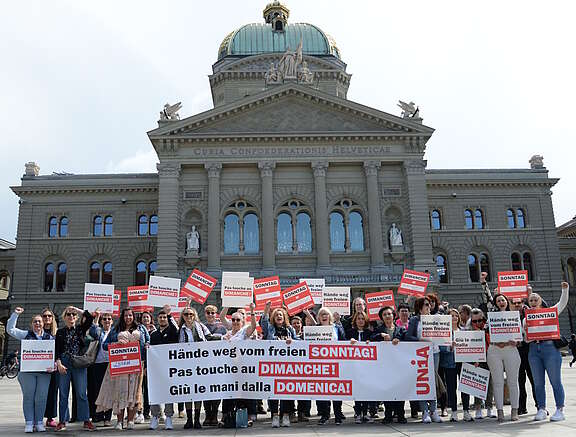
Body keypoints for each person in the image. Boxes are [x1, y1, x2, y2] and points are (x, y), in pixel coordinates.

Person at [96, 307, 148, 430]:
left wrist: (146, 347)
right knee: (120, 392)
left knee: (134, 393)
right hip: (120, 366)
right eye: (126, 315)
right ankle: (119, 421)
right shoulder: (116, 329)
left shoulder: (141, 328)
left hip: (136, 365)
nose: (128, 318)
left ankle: (130, 420)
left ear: (133, 316)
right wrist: (115, 344)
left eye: (130, 315)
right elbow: (104, 345)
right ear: (122, 317)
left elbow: (147, 343)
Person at [525, 282, 569, 422]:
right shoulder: (526, 318)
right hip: (534, 350)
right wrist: (526, 329)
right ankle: (541, 409)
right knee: (538, 383)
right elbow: (525, 339)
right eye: (530, 300)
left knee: (555, 381)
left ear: (540, 301)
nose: (532, 302)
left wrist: (565, 290)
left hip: (550, 349)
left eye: (535, 299)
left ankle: (560, 409)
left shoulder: (550, 312)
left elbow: (562, 303)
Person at [7, 307, 55, 433]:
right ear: (32, 324)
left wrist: (54, 365)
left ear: (44, 324)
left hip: (44, 373)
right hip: (27, 373)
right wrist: (15, 315)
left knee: (41, 397)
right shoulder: (26, 334)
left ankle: (39, 422)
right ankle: (29, 422)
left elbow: (55, 355)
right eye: (35, 321)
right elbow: (10, 330)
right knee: (28, 397)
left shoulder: (50, 338)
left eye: (40, 321)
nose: (38, 323)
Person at [54, 306, 96, 432]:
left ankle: (86, 420)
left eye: (73, 315)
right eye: (68, 314)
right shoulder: (60, 332)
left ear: (76, 318)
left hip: (78, 363)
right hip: (64, 362)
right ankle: (62, 421)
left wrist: (76, 309)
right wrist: (59, 363)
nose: (71, 316)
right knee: (63, 394)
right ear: (64, 317)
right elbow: (57, 349)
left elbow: (89, 318)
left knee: (82, 393)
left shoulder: (80, 329)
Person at [179, 305, 219, 429]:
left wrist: (224, 338)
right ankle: (189, 420)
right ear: (183, 317)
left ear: (194, 315)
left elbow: (209, 338)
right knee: (187, 391)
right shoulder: (181, 329)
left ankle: (197, 420)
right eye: (186, 314)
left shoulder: (201, 326)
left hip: (200, 363)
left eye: (191, 314)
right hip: (186, 364)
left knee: (198, 391)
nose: (189, 316)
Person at [261, 301, 298, 427]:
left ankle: (286, 415)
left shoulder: (290, 329)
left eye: (281, 315)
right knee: (273, 392)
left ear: (284, 317)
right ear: (273, 317)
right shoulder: (270, 328)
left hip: (287, 366)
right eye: (276, 315)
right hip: (272, 365)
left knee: (286, 391)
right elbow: (264, 322)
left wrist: (292, 341)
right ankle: (275, 416)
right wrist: (267, 309)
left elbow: (299, 343)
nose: (278, 317)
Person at [220, 305, 258, 428]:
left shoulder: (244, 332)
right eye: (233, 320)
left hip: (244, 367)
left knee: (245, 393)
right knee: (229, 393)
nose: (235, 322)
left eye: (238, 320)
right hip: (230, 368)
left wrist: (252, 312)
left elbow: (253, 327)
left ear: (242, 322)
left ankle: (247, 416)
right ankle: (227, 416)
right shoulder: (227, 334)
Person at [405, 296, 442, 423]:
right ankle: (424, 411)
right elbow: (409, 336)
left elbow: (443, 335)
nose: (429, 306)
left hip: (435, 352)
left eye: (430, 304)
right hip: (421, 353)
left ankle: (433, 410)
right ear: (420, 308)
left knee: (433, 382)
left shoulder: (436, 318)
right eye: (426, 304)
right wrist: (420, 340)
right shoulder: (415, 320)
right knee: (422, 381)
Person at [486, 293, 521, 422]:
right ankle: (500, 411)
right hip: (494, 350)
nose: (501, 302)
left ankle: (514, 410)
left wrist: (516, 342)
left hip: (510, 349)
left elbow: (521, 335)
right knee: (498, 382)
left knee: (513, 381)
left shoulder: (514, 316)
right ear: (495, 303)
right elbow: (485, 331)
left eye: (503, 300)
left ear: (507, 302)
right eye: (498, 300)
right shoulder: (491, 317)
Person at [311, 307, 347, 425]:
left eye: (326, 314)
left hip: (336, 363)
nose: (324, 316)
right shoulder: (314, 330)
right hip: (320, 365)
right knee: (322, 391)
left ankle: (337, 415)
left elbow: (344, 343)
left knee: (336, 391)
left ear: (330, 316)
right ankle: (325, 415)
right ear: (318, 318)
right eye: (321, 314)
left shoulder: (337, 328)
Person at [371, 306, 407, 424]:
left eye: (389, 314)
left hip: (398, 366)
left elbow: (408, 340)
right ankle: (388, 415)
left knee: (400, 390)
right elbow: (371, 339)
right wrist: (381, 335)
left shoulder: (400, 329)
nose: (387, 316)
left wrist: (398, 339)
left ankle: (401, 415)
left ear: (393, 315)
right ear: (381, 317)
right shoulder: (378, 329)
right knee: (388, 391)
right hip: (384, 366)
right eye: (385, 314)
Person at [149, 305, 179, 430]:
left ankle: (168, 417)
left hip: (169, 367)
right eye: (160, 317)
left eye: (164, 317)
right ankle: (155, 416)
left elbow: (175, 329)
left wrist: (169, 314)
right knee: (154, 392)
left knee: (168, 392)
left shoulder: (172, 331)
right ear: (157, 319)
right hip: (155, 368)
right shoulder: (154, 334)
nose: (162, 319)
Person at [345, 310, 374, 424]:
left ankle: (365, 413)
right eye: (358, 319)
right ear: (355, 320)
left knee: (366, 390)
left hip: (367, 367)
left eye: (362, 319)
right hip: (354, 366)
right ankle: (357, 413)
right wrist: (349, 341)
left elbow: (376, 339)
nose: (360, 321)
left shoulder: (369, 332)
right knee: (357, 390)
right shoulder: (350, 332)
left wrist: (370, 341)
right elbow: (342, 342)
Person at [467, 308, 495, 420]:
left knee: (490, 384)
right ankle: (478, 408)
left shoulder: (488, 327)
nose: (478, 323)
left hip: (490, 355)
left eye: (480, 320)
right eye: (475, 321)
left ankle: (489, 407)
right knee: (477, 383)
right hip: (476, 358)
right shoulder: (468, 330)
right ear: (471, 321)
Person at [87, 311, 113, 427]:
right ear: (102, 321)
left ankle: (107, 417)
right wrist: (96, 318)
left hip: (111, 364)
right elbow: (92, 332)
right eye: (105, 319)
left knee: (109, 391)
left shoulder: (115, 332)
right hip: (98, 364)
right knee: (97, 391)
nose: (107, 321)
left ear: (112, 321)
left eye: (109, 319)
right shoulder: (99, 331)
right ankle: (98, 415)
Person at [510, 297, 536, 415]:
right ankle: (521, 407)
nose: (517, 305)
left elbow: (543, 307)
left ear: (523, 303)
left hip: (530, 351)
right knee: (519, 381)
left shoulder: (531, 314)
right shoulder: (508, 316)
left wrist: (530, 293)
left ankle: (539, 405)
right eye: (514, 303)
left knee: (534, 380)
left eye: (519, 302)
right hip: (516, 352)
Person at [202, 304, 226, 426]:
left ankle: (215, 414)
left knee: (216, 389)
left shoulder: (222, 328)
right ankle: (207, 415)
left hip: (218, 363)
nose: (210, 315)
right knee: (205, 390)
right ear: (205, 314)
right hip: (205, 364)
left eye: (212, 313)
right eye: (208, 313)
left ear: (216, 314)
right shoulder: (201, 327)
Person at [439, 308, 460, 422]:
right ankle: (454, 411)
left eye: (456, 315)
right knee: (451, 388)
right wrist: (449, 347)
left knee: (464, 388)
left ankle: (466, 410)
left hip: (462, 363)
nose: (454, 318)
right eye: (452, 316)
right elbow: (440, 347)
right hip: (449, 364)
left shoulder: (463, 331)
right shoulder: (443, 332)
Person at [40, 308, 59, 429]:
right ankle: (37, 417)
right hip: (39, 367)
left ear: (53, 319)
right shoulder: (37, 331)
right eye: (45, 316)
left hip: (53, 367)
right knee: (40, 394)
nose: (47, 318)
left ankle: (50, 417)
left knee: (52, 392)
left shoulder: (57, 333)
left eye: (49, 316)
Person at [136, 311, 155, 423]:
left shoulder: (152, 330)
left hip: (148, 363)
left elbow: (149, 341)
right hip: (136, 361)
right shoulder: (138, 328)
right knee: (137, 389)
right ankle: (137, 411)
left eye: (147, 317)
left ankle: (146, 411)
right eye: (143, 317)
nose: (145, 319)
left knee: (147, 389)